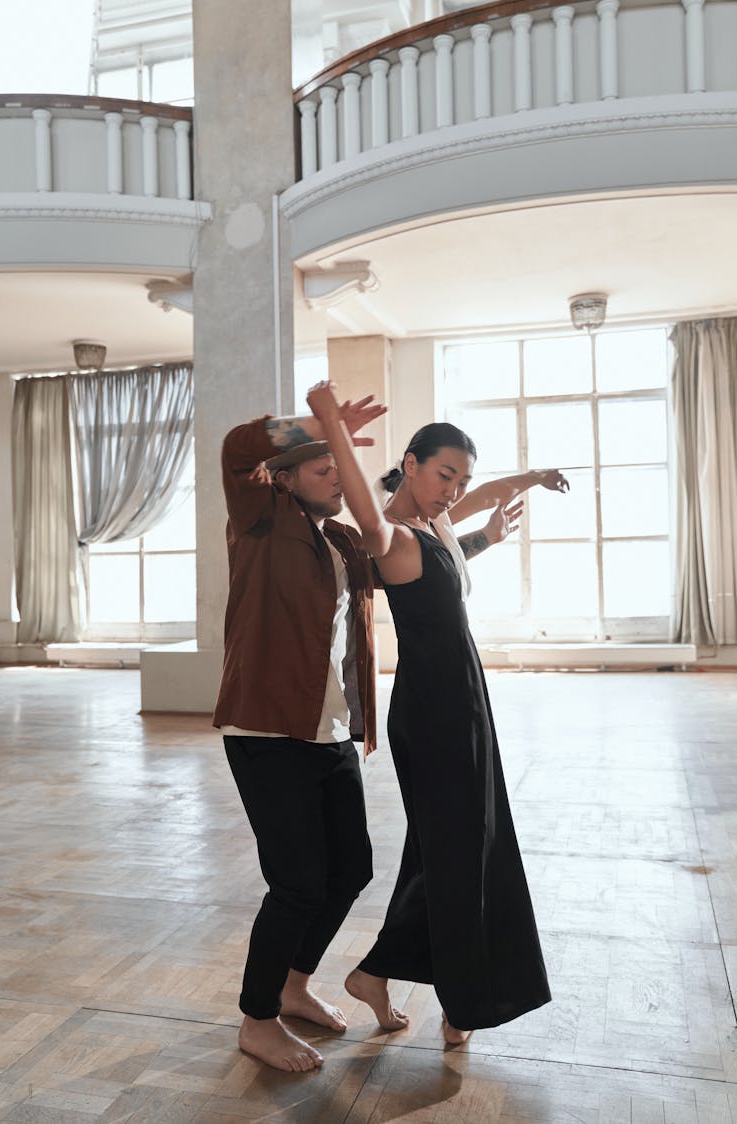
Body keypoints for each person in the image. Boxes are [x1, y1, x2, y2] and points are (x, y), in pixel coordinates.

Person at [306, 381, 568, 1046]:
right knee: (460, 853)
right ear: (412, 465)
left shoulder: (435, 524)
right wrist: (330, 423)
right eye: (444, 474)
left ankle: (379, 974)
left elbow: (474, 507)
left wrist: (526, 483)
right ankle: (460, 1001)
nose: (455, 489)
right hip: (433, 713)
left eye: (463, 479)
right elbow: (368, 514)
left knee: (449, 848)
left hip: (464, 703)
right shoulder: (392, 537)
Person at [213, 395, 386, 1072]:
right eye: (322, 468)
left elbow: (403, 554)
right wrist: (323, 427)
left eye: (337, 468)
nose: (336, 476)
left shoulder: (342, 541)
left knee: (352, 869)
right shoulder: (260, 519)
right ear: (284, 478)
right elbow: (237, 447)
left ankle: (292, 987)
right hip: (267, 728)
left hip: (331, 733)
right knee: (298, 884)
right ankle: (256, 1021)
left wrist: (478, 535)